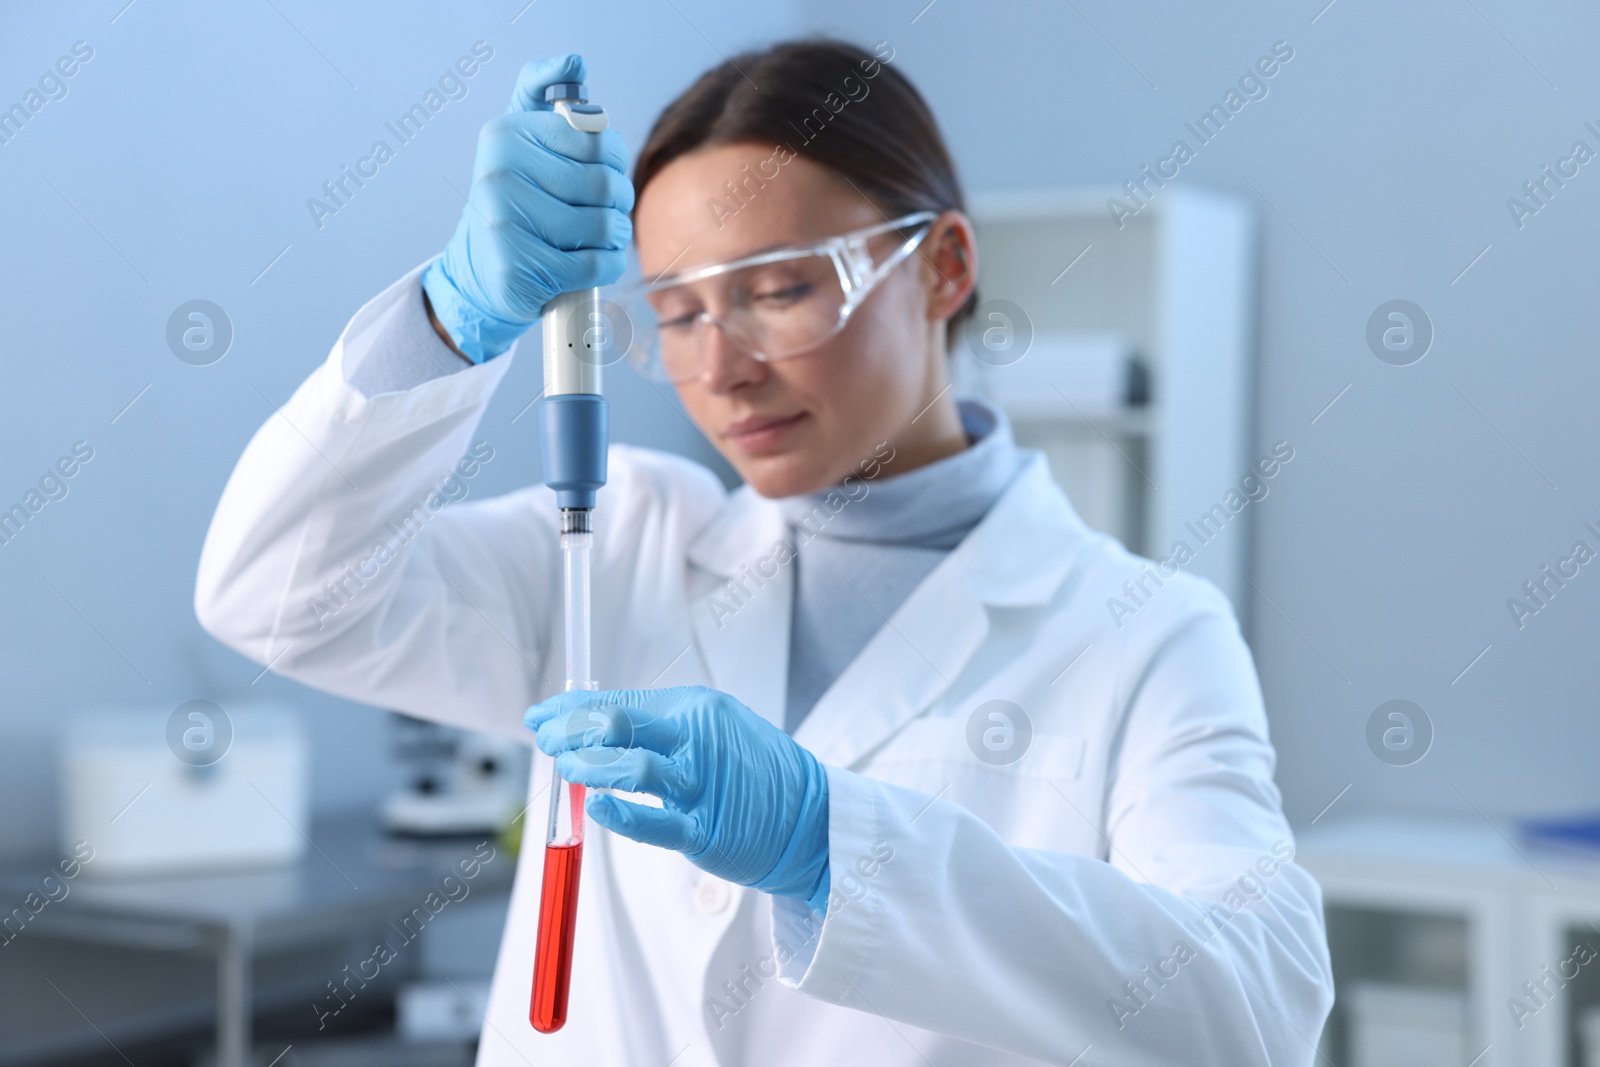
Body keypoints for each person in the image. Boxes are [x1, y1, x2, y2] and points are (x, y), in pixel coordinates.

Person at [196, 38, 1333, 1067]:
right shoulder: (617, 547)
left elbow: (1250, 1012)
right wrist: (451, 320)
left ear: (943, 266)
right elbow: (277, 597)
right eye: (679, 311)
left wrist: (826, 842)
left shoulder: (1145, 631)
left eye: (781, 289)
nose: (721, 366)